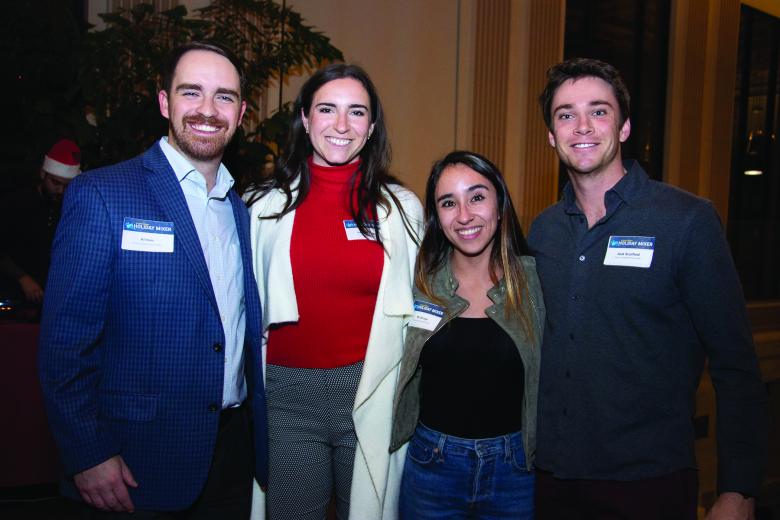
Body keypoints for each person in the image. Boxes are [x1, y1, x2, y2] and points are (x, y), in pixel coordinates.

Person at [528, 57, 767, 520]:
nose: (582, 126)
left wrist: (738, 489)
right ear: (551, 136)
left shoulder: (687, 222)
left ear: (623, 128)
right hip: (550, 481)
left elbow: (735, 363)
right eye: (565, 114)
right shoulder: (542, 232)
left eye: (598, 111)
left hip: (648, 483)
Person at [39, 41, 267, 518]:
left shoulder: (241, 212)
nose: (208, 110)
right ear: (164, 102)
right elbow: (64, 344)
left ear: (242, 113)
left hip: (229, 459)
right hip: (131, 463)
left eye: (224, 97)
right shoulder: (102, 195)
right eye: (191, 93)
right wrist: (88, 453)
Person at [244, 63, 423, 519]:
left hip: (371, 389)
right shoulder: (261, 205)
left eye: (356, 112)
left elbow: (424, 307)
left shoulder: (401, 210)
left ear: (372, 125)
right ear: (305, 118)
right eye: (327, 109)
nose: (341, 125)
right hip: (287, 398)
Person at [390, 150, 544, 519]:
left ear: (499, 203)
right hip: (432, 467)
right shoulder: (418, 283)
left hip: (515, 471)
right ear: (436, 216)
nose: (464, 215)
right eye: (448, 202)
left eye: (477, 197)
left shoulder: (534, 282)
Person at [0, 138, 81, 307]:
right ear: (43, 174)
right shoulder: (15, 202)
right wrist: (22, 278)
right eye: (56, 183)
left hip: (49, 299)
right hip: (11, 294)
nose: (61, 191)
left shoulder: (70, 208)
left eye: (67, 186)